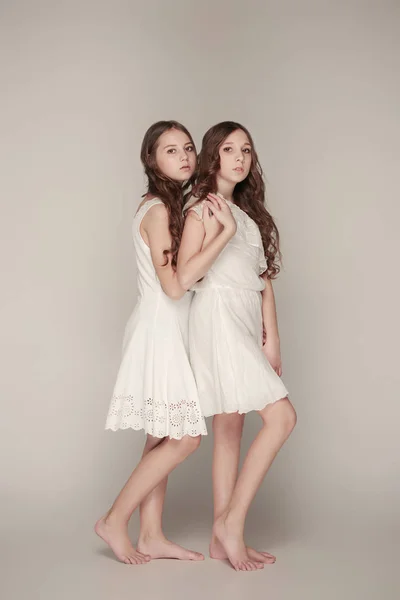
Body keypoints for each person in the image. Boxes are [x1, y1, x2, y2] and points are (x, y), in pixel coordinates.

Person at [177, 121, 297, 572]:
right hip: (218, 318)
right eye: (229, 149)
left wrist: (273, 337)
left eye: (246, 149)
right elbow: (187, 275)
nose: (240, 158)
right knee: (282, 417)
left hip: (246, 319)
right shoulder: (202, 209)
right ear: (213, 156)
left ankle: (220, 537)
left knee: (231, 427)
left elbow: (263, 280)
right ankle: (232, 523)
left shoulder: (247, 213)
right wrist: (218, 232)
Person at [95, 121, 207, 565]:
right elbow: (175, 288)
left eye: (188, 149)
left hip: (169, 329)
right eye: (170, 150)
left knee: (160, 436)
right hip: (159, 331)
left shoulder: (169, 205)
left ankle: (152, 535)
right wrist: (220, 238)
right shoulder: (160, 210)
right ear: (152, 160)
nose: (183, 156)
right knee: (184, 439)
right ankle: (113, 520)